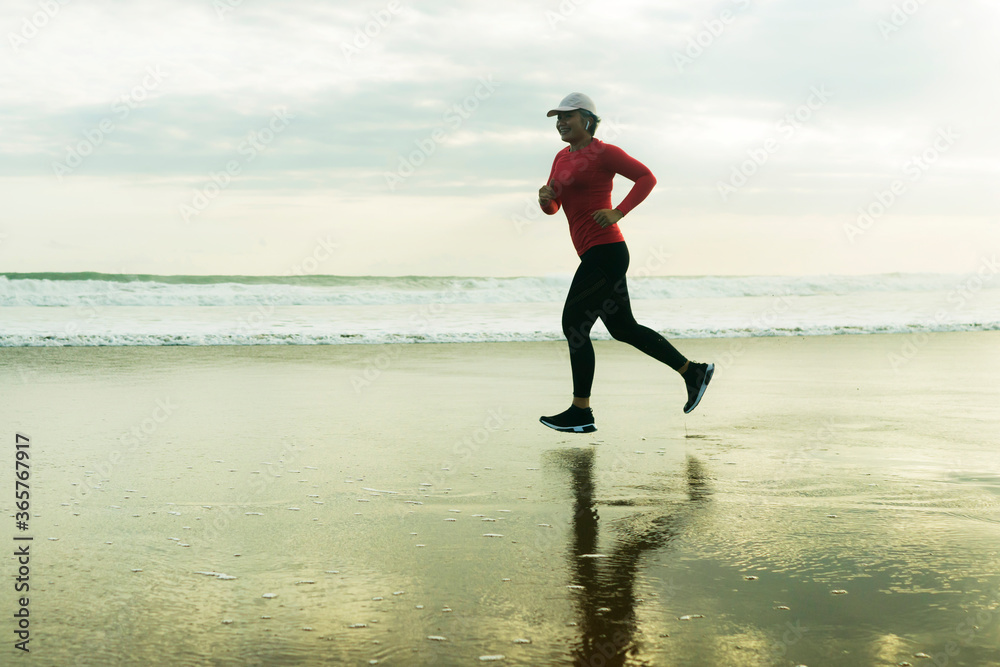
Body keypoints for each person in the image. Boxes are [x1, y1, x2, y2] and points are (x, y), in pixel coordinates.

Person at [538, 92, 713, 433]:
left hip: (607, 251)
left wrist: (619, 211)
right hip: (594, 253)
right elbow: (555, 204)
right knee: (623, 328)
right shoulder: (560, 158)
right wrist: (545, 200)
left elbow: (647, 177)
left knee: (574, 325)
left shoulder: (605, 153)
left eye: (567, 116)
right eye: (558, 117)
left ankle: (581, 411)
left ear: (587, 120)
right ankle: (693, 372)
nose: (560, 121)